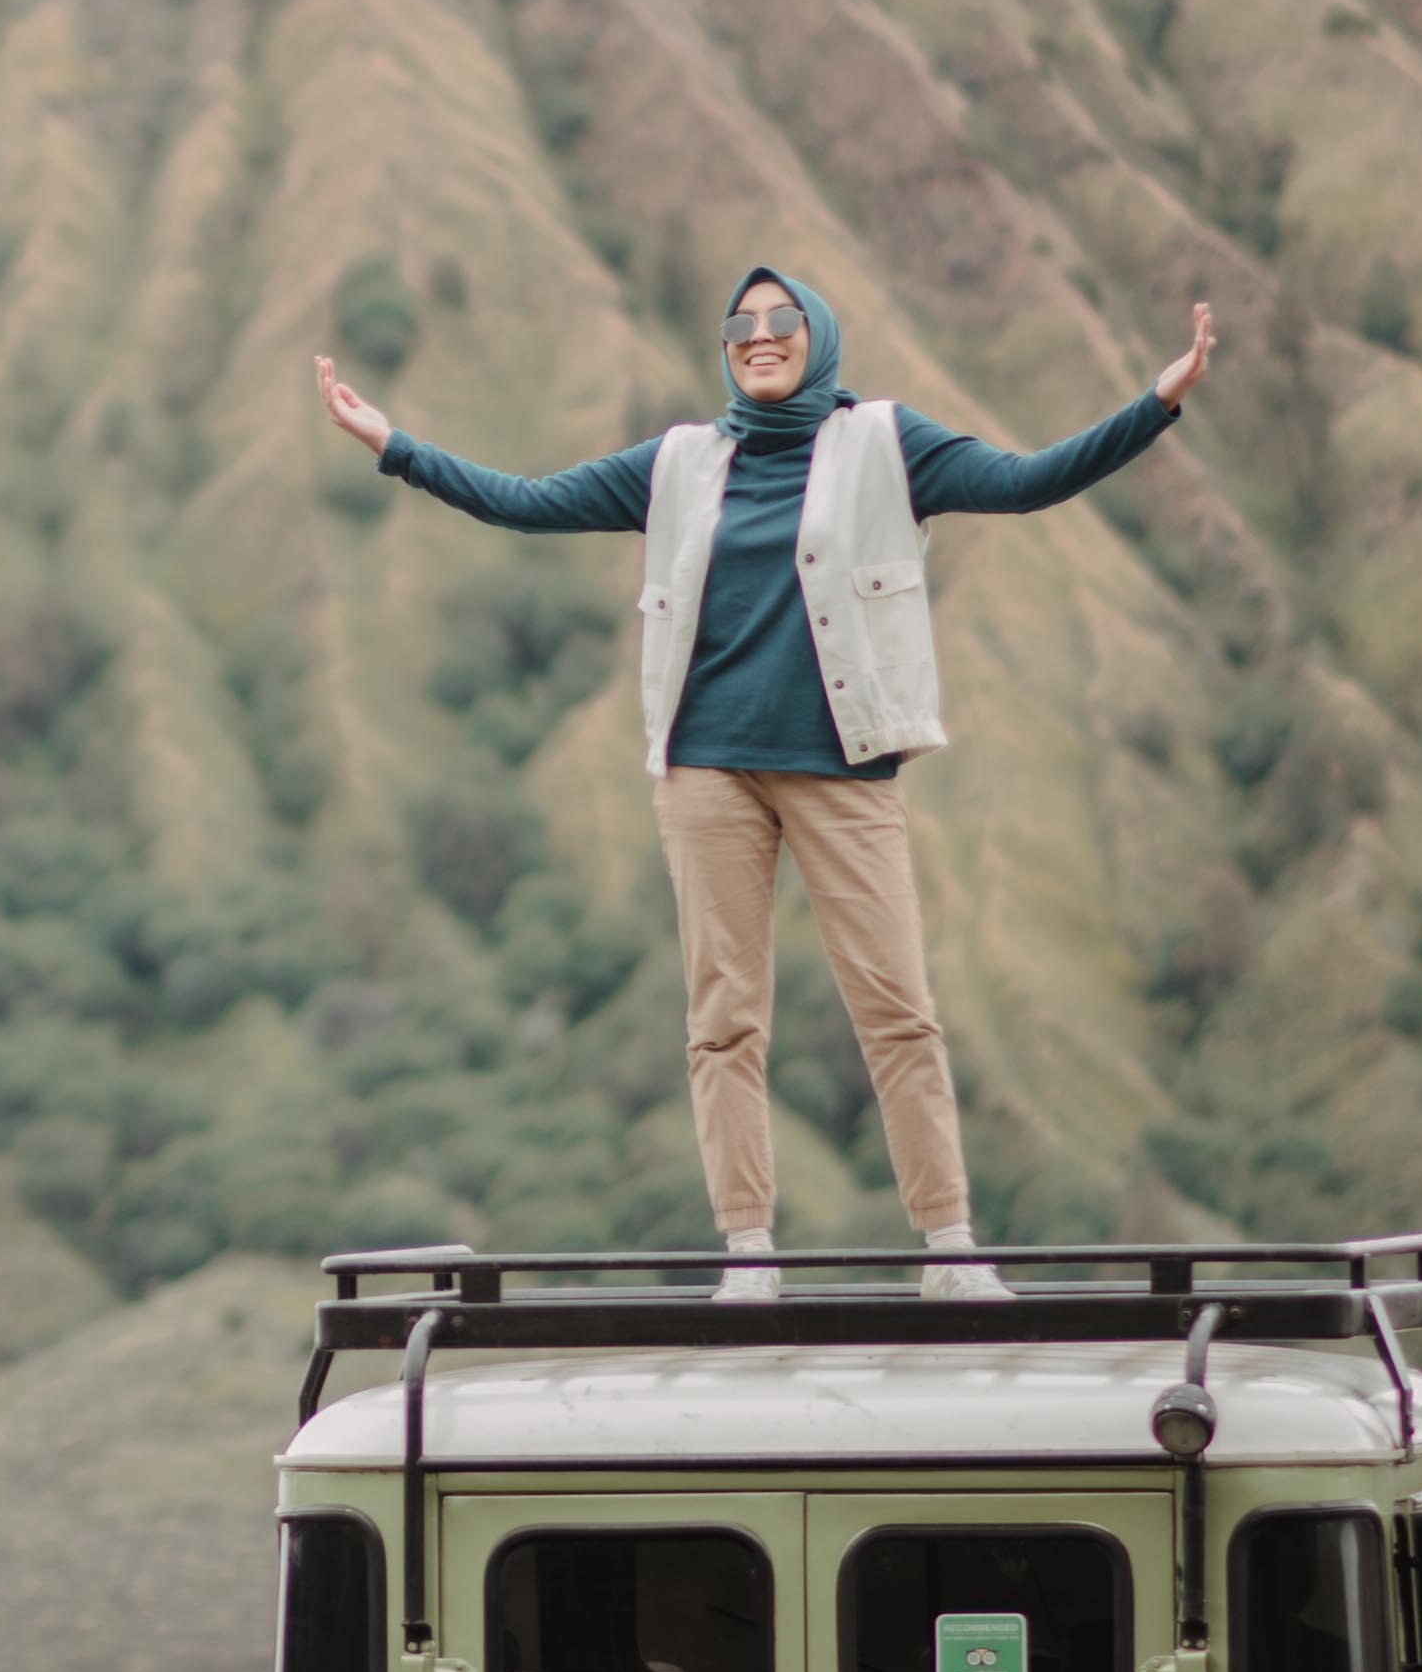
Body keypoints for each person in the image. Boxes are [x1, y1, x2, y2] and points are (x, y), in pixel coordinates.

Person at [315, 268, 1212, 1295]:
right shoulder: (681, 462)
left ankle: (951, 1249)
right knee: (723, 1016)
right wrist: (396, 446)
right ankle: (748, 1252)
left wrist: (1158, 404)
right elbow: (528, 502)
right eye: (740, 323)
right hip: (706, 771)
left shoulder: (885, 442)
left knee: (897, 1009)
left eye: (783, 319)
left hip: (843, 767)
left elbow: (1025, 479)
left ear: (819, 334)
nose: (760, 336)